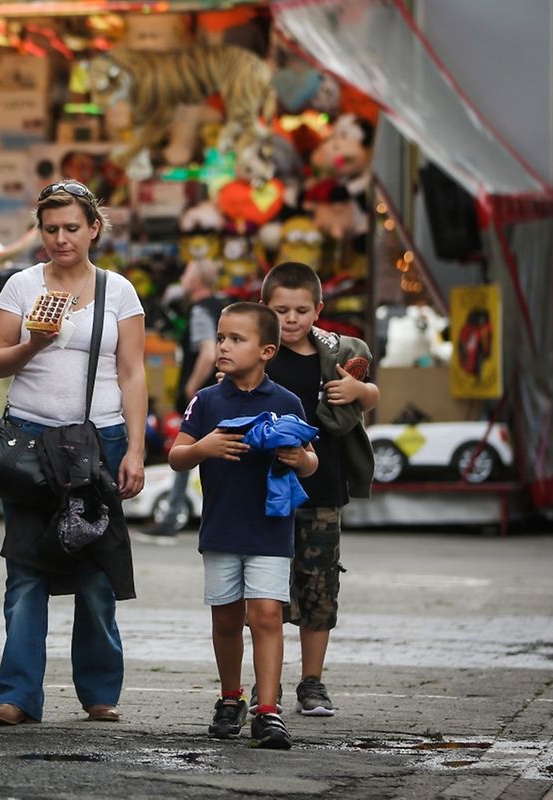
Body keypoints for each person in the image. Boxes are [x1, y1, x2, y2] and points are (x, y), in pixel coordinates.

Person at [0, 180, 147, 726]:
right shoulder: (21, 285)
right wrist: (33, 343)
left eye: (72, 227)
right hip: (31, 440)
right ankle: (18, 696)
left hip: (100, 441)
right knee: (25, 570)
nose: (60, 238)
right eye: (50, 229)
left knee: (97, 570)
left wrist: (137, 449)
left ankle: (100, 693)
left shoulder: (119, 291)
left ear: (94, 228)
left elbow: (132, 373)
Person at [168, 302, 318, 750]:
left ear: (267, 351)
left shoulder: (286, 401)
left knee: (267, 615)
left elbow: (311, 462)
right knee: (226, 618)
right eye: (221, 338)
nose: (224, 347)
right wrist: (205, 447)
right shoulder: (207, 400)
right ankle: (230, 698)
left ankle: (268, 710)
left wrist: (299, 457)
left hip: (271, 529)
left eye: (237, 339)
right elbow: (177, 456)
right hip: (221, 528)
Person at [262, 261, 378, 717]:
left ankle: (312, 683)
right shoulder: (258, 355)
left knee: (319, 589)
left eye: (301, 310)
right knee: (267, 593)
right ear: (264, 308)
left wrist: (358, 393)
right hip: (264, 491)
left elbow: (372, 395)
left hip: (322, 492)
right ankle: (266, 684)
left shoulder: (336, 355)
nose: (291, 319)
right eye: (281, 311)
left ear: (318, 310)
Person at [140, 258, 227, 539]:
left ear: (197, 280)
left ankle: (172, 516)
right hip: (222, 391)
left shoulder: (201, 310)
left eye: (187, 274)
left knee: (186, 452)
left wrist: (191, 387)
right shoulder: (220, 306)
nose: (183, 279)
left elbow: (208, 353)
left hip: (205, 394)